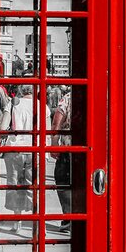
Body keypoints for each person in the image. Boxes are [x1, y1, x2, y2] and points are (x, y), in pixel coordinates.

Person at [3, 83, 51, 229]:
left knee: (15, 183)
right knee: (34, 185)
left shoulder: (13, 103)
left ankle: (17, 220)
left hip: (15, 150)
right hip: (36, 150)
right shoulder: (43, 106)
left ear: (20, 91)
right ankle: (36, 219)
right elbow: (47, 132)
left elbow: (2, 127)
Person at [49, 87, 73, 217]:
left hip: (68, 148)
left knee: (63, 181)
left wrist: (54, 143)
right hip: (95, 151)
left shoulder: (68, 98)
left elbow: (56, 123)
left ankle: (68, 216)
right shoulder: (105, 96)